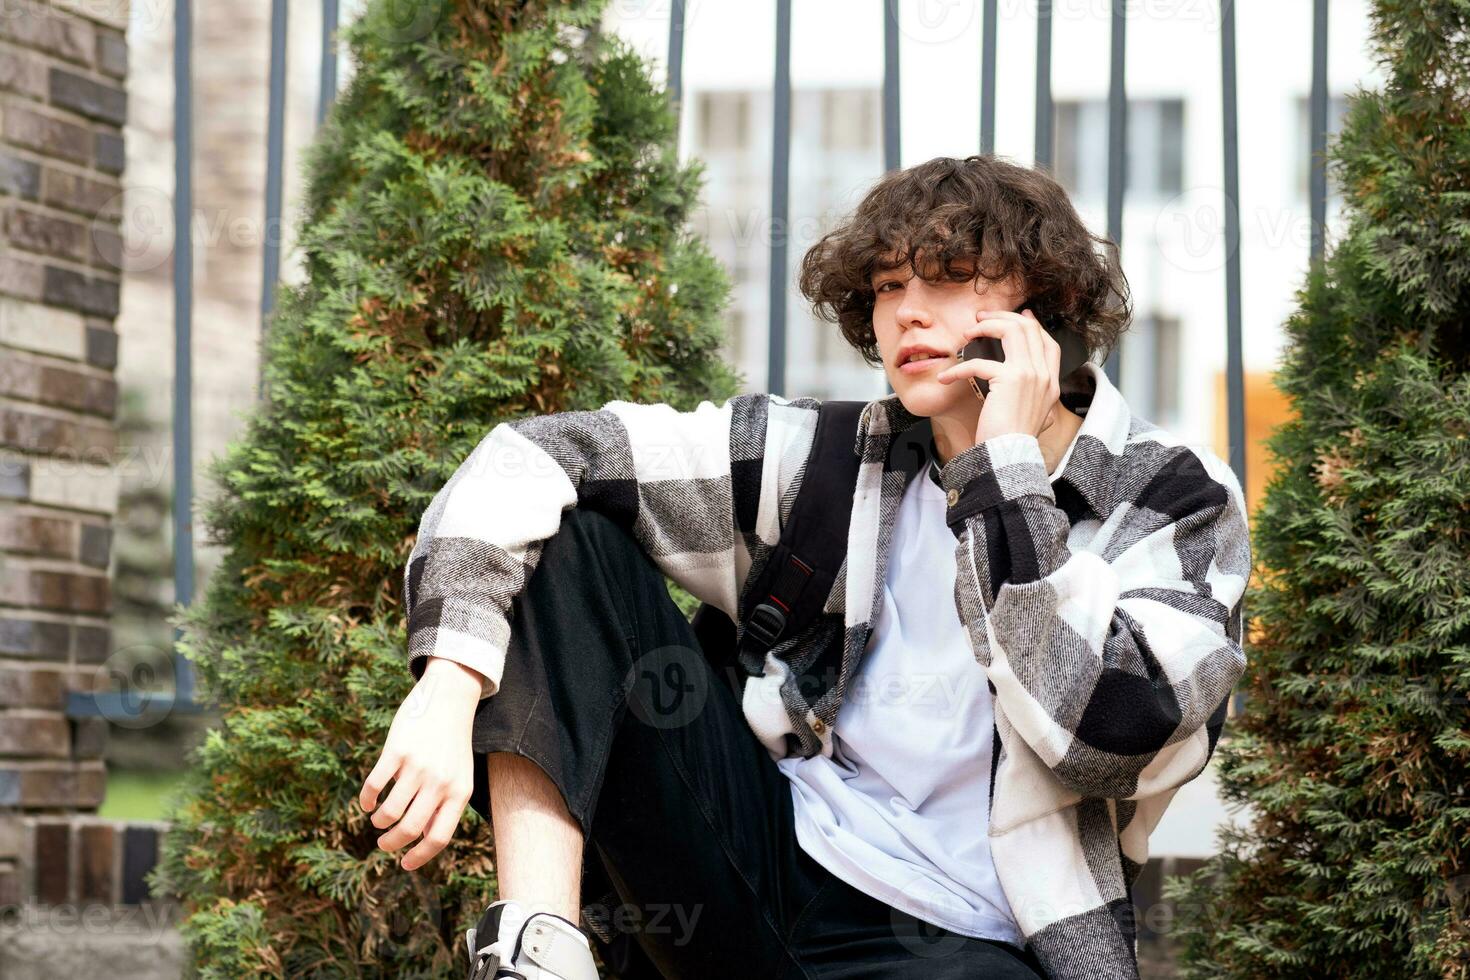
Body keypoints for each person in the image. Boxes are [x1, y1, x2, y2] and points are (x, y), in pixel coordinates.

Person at [358, 154, 1252, 980]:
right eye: (889, 285)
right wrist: (447, 684)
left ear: (1043, 302)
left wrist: (1003, 467)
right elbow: (529, 456)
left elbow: (1105, 733)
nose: (906, 311)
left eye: (945, 278)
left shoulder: (1174, 497)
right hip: (765, 867)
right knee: (566, 535)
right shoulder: (833, 457)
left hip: (971, 943)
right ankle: (537, 949)